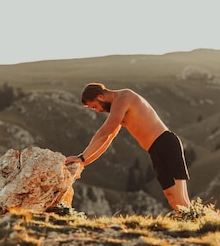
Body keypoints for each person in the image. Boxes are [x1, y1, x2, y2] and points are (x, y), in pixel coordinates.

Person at [65, 83, 190, 211]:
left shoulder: (124, 97)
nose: (98, 111)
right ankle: (192, 222)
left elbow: (104, 132)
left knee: (179, 198)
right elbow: (107, 140)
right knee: (171, 197)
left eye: (95, 106)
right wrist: (84, 161)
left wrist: (82, 156)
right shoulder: (117, 108)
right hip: (156, 150)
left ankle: (194, 224)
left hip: (166, 144)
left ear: (100, 97)